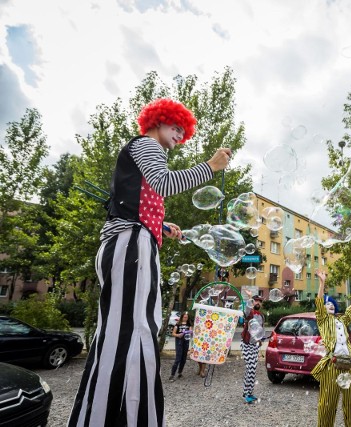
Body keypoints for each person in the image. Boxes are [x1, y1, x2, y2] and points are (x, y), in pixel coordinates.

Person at [68, 98, 231, 427]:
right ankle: (120, 418)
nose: (179, 134)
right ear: (158, 121)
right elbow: (165, 183)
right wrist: (211, 166)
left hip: (129, 241)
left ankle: (108, 415)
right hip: (131, 243)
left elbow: (141, 198)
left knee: (126, 330)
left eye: (183, 131)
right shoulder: (147, 144)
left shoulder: (143, 153)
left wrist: (160, 225)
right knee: (134, 330)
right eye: (176, 126)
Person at [312, 270, 351, 427]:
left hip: (349, 365)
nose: (329, 305)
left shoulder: (342, 320)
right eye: (326, 304)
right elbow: (319, 301)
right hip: (332, 365)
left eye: (332, 304)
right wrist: (322, 283)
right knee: (327, 404)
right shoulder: (322, 320)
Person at [240, 292, 264, 404]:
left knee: (253, 370)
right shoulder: (250, 313)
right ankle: (246, 394)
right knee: (250, 368)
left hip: (254, 345)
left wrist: (260, 340)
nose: (258, 302)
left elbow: (259, 331)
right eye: (256, 300)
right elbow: (246, 311)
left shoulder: (261, 316)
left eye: (259, 301)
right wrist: (250, 298)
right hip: (246, 344)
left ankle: (249, 392)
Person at [169, 312, 192, 382]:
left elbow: (191, 331)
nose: (185, 318)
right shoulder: (178, 324)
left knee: (184, 359)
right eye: (184, 317)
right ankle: (172, 375)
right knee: (178, 359)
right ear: (182, 317)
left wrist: (190, 332)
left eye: (187, 317)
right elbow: (173, 333)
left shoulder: (189, 324)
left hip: (186, 342)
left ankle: (180, 372)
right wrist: (178, 335)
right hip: (179, 342)